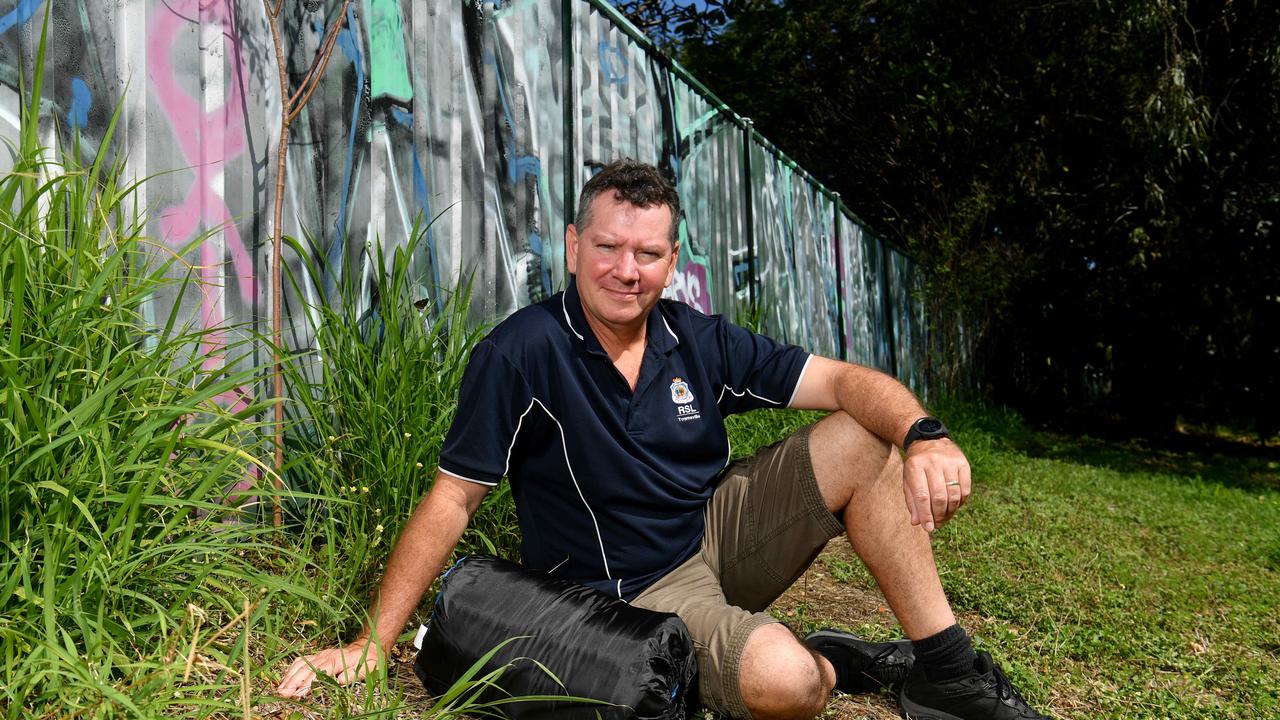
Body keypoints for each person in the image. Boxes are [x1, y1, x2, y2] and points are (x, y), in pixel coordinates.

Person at [277, 159, 1049, 720]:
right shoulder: (521, 352)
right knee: (790, 687)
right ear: (574, 245)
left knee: (862, 435)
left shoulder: (694, 338)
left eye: (647, 254)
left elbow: (846, 383)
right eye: (608, 247)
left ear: (672, 262)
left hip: (712, 532)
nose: (626, 270)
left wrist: (925, 434)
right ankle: (837, 660)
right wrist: (374, 642)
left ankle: (945, 671)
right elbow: (454, 497)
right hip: (632, 594)